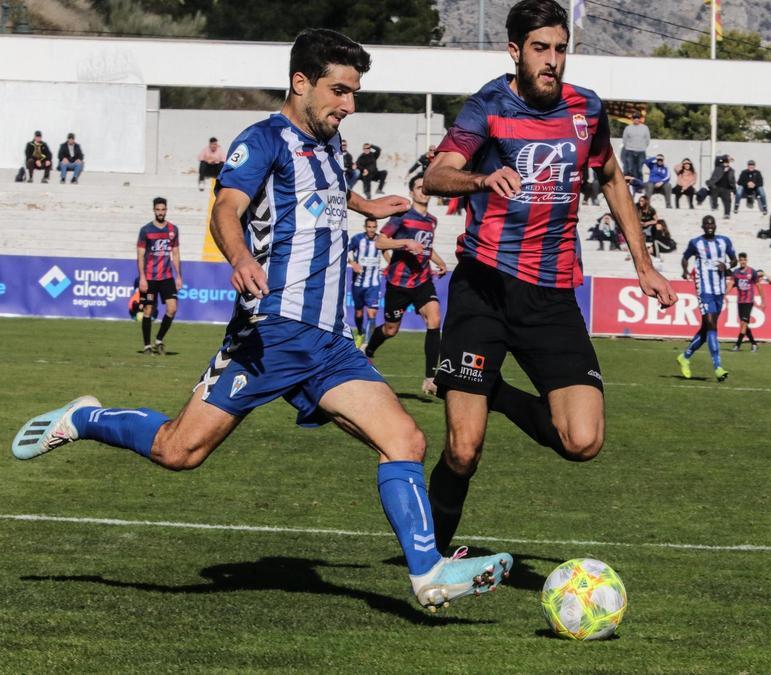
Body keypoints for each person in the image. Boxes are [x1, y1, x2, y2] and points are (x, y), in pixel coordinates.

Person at [11, 29, 513, 611]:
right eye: (340, 91)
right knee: (180, 451)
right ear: (300, 83)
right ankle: (87, 416)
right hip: (270, 334)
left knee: (406, 439)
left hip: (330, 343)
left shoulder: (330, 145)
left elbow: (325, 193)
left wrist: (365, 205)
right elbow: (227, 207)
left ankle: (427, 573)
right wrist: (242, 255)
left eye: (354, 93)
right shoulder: (262, 140)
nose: (350, 105)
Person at [421, 0, 675, 556]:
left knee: (583, 441)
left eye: (561, 48)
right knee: (463, 451)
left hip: (552, 295)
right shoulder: (487, 106)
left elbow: (609, 175)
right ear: (515, 51)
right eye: (541, 48)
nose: (553, 60)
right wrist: (482, 179)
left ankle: (498, 393)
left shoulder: (587, 110)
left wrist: (644, 264)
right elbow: (436, 175)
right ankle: (431, 562)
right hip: (483, 289)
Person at [363, 176, 447, 395]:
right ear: (411, 192)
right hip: (398, 283)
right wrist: (404, 242)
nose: (423, 190)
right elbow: (380, 241)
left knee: (435, 317)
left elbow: (427, 247)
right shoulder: (402, 217)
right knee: (391, 330)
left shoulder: (432, 220)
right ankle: (369, 349)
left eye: (426, 187)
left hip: (422, 280)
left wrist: (439, 262)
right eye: (419, 187)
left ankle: (430, 378)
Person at [677, 215, 734, 381]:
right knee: (710, 325)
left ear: (715, 225)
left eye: (712, 223)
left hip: (719, 290)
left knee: (707, 329)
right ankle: (718, 367)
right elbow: (685, 257)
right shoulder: (696, 243)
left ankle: (685, 357)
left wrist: (728, 266)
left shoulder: (725, 241)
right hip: (704, 290)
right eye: (707, 224)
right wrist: (685, 270)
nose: (710, 226)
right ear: (703, 226)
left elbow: (734, 259)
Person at [136, 197, 182, 355]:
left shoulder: (172, 230)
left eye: (163, 209)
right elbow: (140, 255)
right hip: (149, 278)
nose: (161, 212)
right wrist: (142, 277)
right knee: (148, 310)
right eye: (158, 209)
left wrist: (179, 276)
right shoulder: (146, 230)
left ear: (166, 210)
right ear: (154, 210)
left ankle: (159, 339)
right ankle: (147, 345)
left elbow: (175, 253)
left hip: (167, 276)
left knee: (172, 308)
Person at [347, 218, 383, 348]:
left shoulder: (381, 240)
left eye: (374, 227)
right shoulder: (357, 239)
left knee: (372, 313)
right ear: (365, 227)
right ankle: (361, 333)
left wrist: (390, 265)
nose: (371, 229)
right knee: (358, 313)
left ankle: (366, 344)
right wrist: (353, 263)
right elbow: (344, 250)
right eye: (369, 227)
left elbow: (385, 252)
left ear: (376, 227)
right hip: (358, 283)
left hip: (373, 284)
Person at [729, 252, 767, 352]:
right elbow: (731, 284)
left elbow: (759, 286)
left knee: (744, 323)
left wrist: (763, 300)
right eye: (741, 260)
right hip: (740, 301)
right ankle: (754, 344)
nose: (742, 262)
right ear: (739, 261)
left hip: (748, 301)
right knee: (743, 324)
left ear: (746, 260)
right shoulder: (736, 272)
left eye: (744, 260)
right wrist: (724, 294)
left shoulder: (752, 272)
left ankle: (737, 345)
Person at [620, 110, 650, 178]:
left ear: (640, 119)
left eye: (638, 117)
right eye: (634, 117)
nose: (636, 119)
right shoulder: (628, 128)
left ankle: (639, 187)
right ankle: (630, 187)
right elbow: (624, 139)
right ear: (632, 119)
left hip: (641, 152)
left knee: (639, 170)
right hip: (630, 151)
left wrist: (642, 147)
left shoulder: (645, 128)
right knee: (630, 170)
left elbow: (647, 140)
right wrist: (628, 147)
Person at [707, 154, 736, 219]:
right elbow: (717, 158)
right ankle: (715, 206)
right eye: (725, 162)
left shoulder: (731, 170)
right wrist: (726, 157)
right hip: (717, 186)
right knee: (714, 193)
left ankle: (727, 214)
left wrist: (734, 190)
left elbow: (733, 181)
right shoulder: (718, 168)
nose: (726, 163)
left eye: (728, 162)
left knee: (728, 200)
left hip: (726, 188)